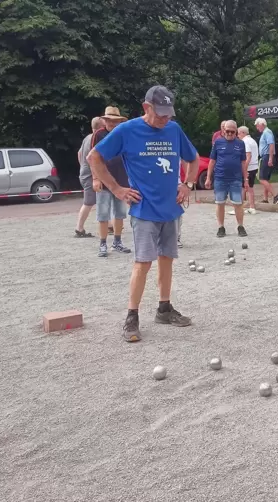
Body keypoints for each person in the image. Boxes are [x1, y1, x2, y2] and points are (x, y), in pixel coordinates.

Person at [88, 85, 199, 343]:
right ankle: (132, 316)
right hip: (144, 209)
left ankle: (164, 308)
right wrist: (116, 189)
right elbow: (94, 158)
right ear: (146, 107)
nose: (165, 119)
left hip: (171, 209)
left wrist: (188, 184)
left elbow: (192, 159)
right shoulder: (128, 130)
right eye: (161, 113)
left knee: (167, 259)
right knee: (143, 263)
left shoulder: (174, 129)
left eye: (169, 113)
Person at [91, 106, 132, 257]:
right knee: (103, 213)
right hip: (104, 179)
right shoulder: (99, 134)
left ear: (119, 121)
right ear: (104, 121)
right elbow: (92, 158)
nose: (111, 123)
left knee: (120, 213)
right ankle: (103, 243)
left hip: (121, 179)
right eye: (108, 120)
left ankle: (117, 242)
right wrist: (95, 178)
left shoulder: (123, 134)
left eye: (114, 121)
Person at [206, 120, 249, 238]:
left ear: (236, 131)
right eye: (227, 131)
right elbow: (212, 161)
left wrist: (246, 179)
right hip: (220, 178)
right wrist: (208, 178)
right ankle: (221, 227)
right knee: (220, 203)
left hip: (235, 178)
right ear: (223, 131)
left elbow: (243, 162)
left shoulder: (240, 144)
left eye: (232, 131)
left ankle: (240, 226)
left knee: (238, 203)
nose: (229, 133)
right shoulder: (218, 143)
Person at [75, 116, 103, 237]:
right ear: (100, 127)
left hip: (85, 172)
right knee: (89, 202)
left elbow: (79, 153)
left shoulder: (87, 138)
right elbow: (93, 158)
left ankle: (110, 225)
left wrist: (82, 166)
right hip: (90, 175)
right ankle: (79, 229)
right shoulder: (96, 139)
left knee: (103, 199)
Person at [255, 117, 278, 204]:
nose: (257, 128)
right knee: (265, 178)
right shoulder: (266, 132)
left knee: (261, 178)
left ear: (262, 124)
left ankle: (275, 195)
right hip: (267, 156)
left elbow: (271, 144)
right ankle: (265, 198)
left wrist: (270, 158)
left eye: (257, 125)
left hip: (267, 156)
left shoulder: (267, 132)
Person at [238, 126, 258, 214]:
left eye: (238, 133)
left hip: (248, 167)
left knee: (243, 187)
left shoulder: (245, 141)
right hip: (254, 166)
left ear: (243, 133)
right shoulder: (252, 140)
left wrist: (244, 169)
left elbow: (248, 156)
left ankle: (239, 207)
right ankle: (251, 207)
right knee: (250, 187)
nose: (237, 135)